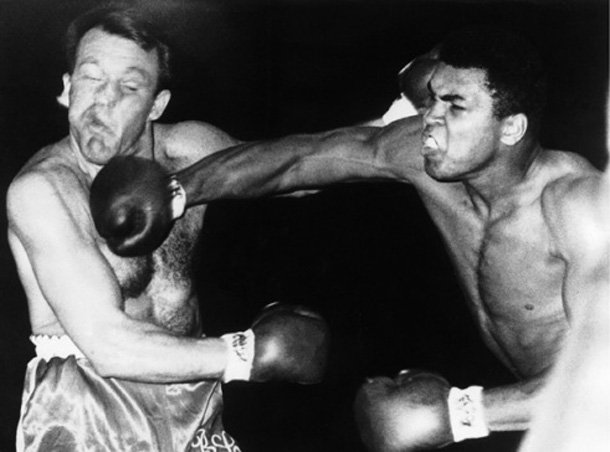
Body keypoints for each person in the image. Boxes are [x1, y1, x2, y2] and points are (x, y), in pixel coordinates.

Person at [90, 27, 605, 450]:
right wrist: (178, 191)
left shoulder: (577, 207)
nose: (430, 118)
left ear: (511, 128)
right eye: (431, 100)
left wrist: (459, 413)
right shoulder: (425, 157)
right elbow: (303, 158)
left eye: (455, 106)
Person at [6, 6, 330, 451]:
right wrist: (249, 354)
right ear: (67, 88)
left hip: (193, 397)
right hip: (89, 412)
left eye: (129, 86)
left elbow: (293, 171)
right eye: (91, 78)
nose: (103, 99)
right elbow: (108, 345)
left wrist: (394, 125)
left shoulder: (188, 151)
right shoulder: (44, 190)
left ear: (156, 104)